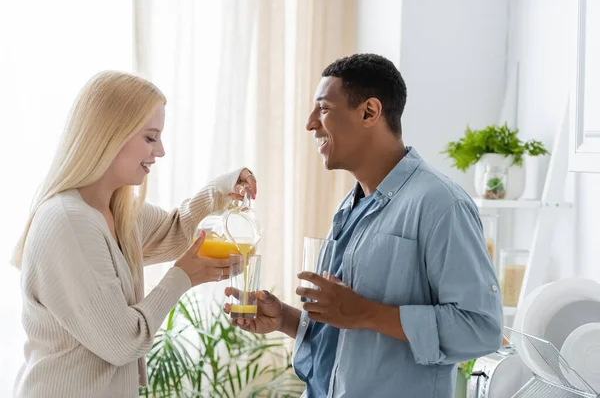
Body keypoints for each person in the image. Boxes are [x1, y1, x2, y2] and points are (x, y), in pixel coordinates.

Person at [224, 53, 503, 397]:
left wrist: (366, 313)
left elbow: (481, 329)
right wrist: (283, 318)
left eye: (323, 109)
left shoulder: (441, 204)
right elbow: (347, 336)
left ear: (370, 112)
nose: (310, 123)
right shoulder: (351, 204)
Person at [12, 70, 258, 398]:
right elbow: (123, 343)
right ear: (110, 134)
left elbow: (176, 230)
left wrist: (224, 187)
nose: (161, 152)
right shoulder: (69, 222)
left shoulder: (117, 212)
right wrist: (183, 276)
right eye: (150, 137)